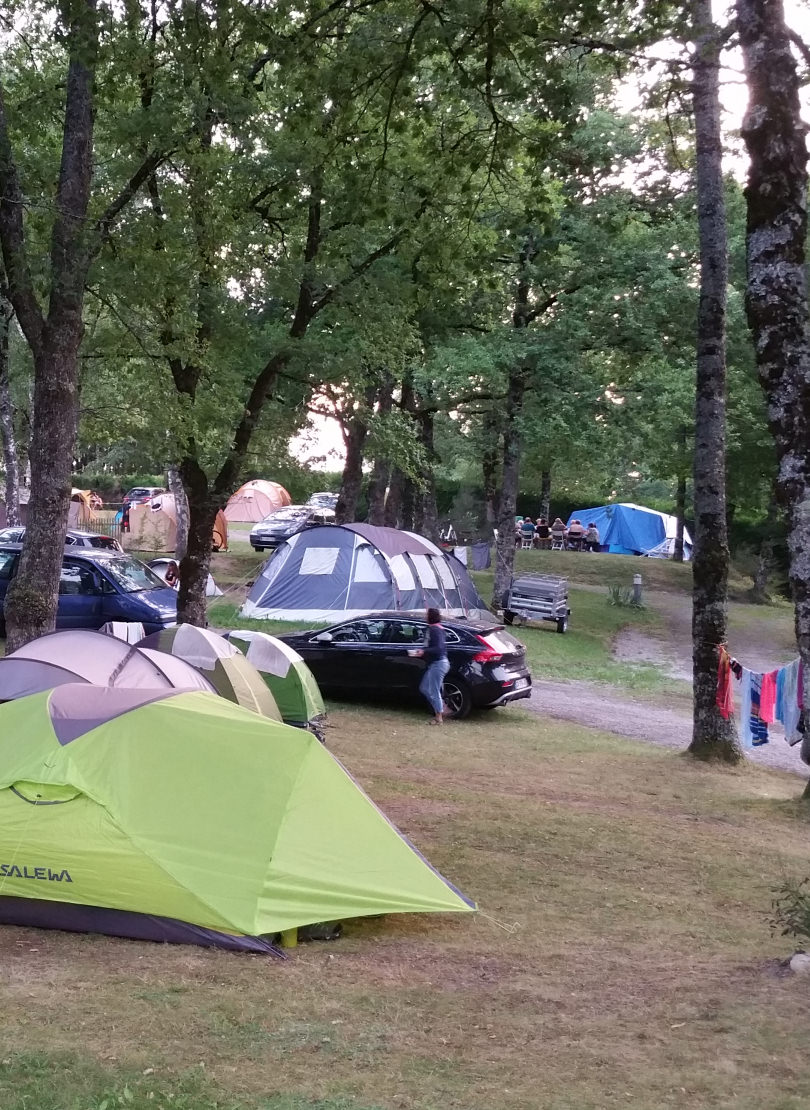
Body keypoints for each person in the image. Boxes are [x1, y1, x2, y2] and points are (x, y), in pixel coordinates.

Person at [410, 608, 450, 725]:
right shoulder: (439, 628)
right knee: (424, 688)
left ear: (431, 616)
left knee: (434, 689)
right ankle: (441, 708)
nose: (425, 617)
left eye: (427, 615)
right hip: (438, 663)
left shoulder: (434, 629)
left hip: (439, 663)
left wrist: (423, 651)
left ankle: (439, 716)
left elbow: (438, 648)